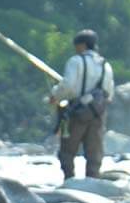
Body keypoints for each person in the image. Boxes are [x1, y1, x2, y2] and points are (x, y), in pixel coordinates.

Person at [48, 29, 114, 180]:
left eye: (76, 46)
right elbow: (109, 93)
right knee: (94, 151)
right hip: (98, 114)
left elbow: (68, 85)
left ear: (82, 45)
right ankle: (93, 181)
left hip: (75, 112)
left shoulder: (75, 61)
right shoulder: (106, 65)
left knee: (67, 150)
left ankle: (69, 180)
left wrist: (55, 96)